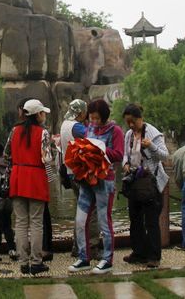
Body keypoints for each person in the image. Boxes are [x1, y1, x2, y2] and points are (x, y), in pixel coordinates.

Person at [68, 99, 124, 275]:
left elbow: (119, 154)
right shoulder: (90, 128)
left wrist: (100, 149)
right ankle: (84, 257)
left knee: (104, 221)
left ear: (104, 116)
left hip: (104, 180)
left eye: (97, 118)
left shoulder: (115, 131)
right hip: (87, 178)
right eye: (91, 118)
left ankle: (107, 259)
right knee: (80, 220)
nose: (93, 121)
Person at [5, 98, 54, 276]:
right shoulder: (43, 133)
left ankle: (23, 262)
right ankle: (36, 261)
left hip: (17, 177)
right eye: (42, 113)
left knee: (20, 222)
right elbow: (47, 158)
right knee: (36, 223)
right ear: (37, 114)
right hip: (35, 178)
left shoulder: (14, 131)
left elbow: (6, 154)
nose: (44, 116)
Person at [120, 103, 168, 268]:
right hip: (134, 182)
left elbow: (164, 155)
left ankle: (154, 256)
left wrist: (151, 146)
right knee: (135, 219)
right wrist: (125, 164)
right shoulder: (129, 135)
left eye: (134, 121)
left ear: (141, 118)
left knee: (151, 221)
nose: (131, 125)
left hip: (150, 184)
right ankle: (138, 252)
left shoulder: (153, 133)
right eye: (128, 122)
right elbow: (125, 154)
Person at [58, 99, 99, 257]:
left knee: (81, 211)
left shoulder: (64, 124)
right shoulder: (77, 127)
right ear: (81, 112)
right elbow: (94, 136)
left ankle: (77, 247)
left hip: (70, 172)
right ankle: (92, 247)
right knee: (91, 211)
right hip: (81, 173)